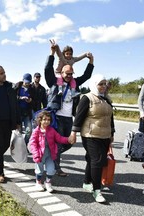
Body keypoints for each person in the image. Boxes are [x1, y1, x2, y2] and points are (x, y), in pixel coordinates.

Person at [45, 40, 94, 177]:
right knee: (59, 143)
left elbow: (87, 76)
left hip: (69, 118)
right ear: (62, 73)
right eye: (67, 74)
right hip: (58, 117)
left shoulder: (75, 84)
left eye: (71, 74)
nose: (69, 76)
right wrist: (52, 53)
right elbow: (47, 69)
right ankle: (57, 167)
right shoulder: (54, 83)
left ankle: (52, 153)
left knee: (69, 142)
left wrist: (91, 62)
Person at [69, 74, 115, 203]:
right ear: (95, 84)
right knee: (97, 161)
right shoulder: (87, 98)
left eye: (105, 84)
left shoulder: (106, 99)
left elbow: (110, 118)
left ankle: (86, 182)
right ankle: (97, 190)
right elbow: (79, 117)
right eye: (101, 84)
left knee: (91, 159)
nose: (103, 86)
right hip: (90, 135)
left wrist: (112, 133)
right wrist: (73, 133)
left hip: (105, 135)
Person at [29, 111, 75, 192]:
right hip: (40, 154)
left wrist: (68, 140)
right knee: (39, 170)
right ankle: (38, 183)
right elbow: (32, 143)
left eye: (48, 120)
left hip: (50, 154)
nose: (46, 121)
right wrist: (35, 154)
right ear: (40, 120)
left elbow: (59, 138)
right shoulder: (36, 131)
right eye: (44, 119)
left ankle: (48, 183)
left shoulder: (52, 130)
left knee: (51, 170)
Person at [14, 73, 34, 145]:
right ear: (23, 80)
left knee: (29, 131)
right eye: (26, 82)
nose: (27, 84)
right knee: (18, 132)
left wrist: (31, 100)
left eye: (29, 82)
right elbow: (12, 98)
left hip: (27, 114)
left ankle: (24, 145)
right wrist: (20, 98)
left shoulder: (31, 89)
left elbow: (34, 100)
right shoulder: (17, 87)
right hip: (18, 113)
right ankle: (17, 147)